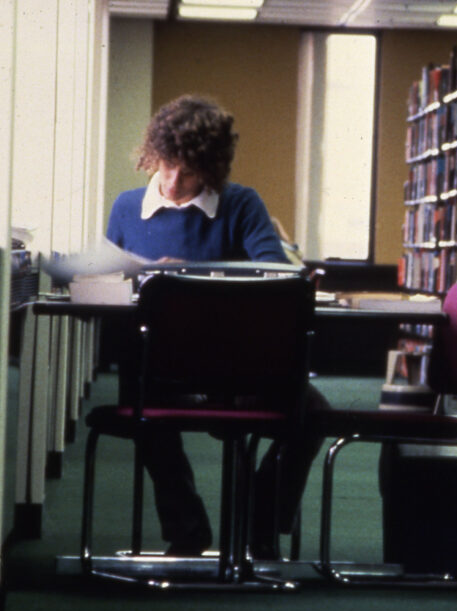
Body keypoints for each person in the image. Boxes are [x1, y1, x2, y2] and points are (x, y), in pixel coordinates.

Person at [107, 94, 323, 558]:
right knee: (140, 402)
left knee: (313, 414)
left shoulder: (240, 204)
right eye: (166, 165)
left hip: (238, 365)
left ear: (213, 168)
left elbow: (278, 272)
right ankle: (187, 529)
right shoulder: (127, 208)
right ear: (152, 156)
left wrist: (189, 272)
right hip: (159, 366)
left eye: (189, 171)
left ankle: (258, 522)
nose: (173, 181)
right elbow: (109, 278)